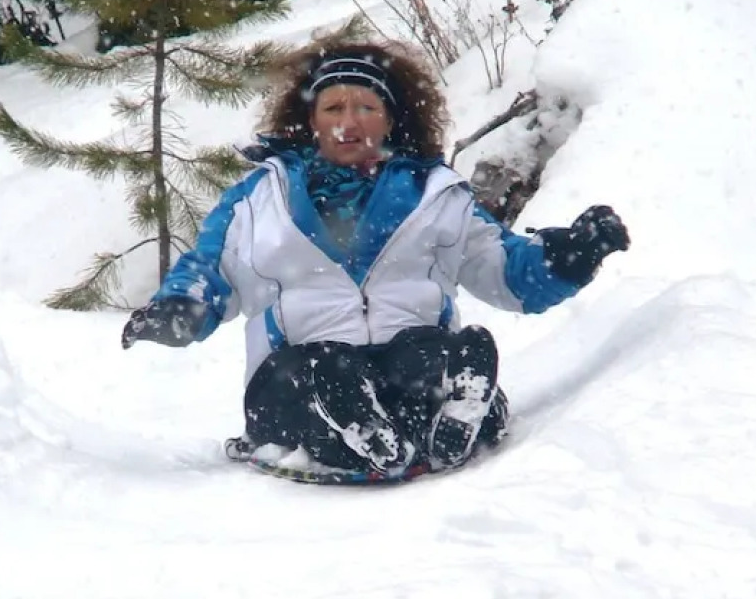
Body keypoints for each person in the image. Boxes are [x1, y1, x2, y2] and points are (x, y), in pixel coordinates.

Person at [120, 39, 630, 474]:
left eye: (366, 108)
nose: (349, 123)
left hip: (405, 366)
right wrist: (179, 309)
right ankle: (358, 418)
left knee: (428, 355)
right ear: (310, 120)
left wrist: (570, 255)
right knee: (319, 369)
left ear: (390, 120)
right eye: (333, 109)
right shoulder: (258, 199)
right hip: (296, 376)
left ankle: (453, 406)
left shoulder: (434, 194)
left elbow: (506, 271)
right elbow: (209, 270)